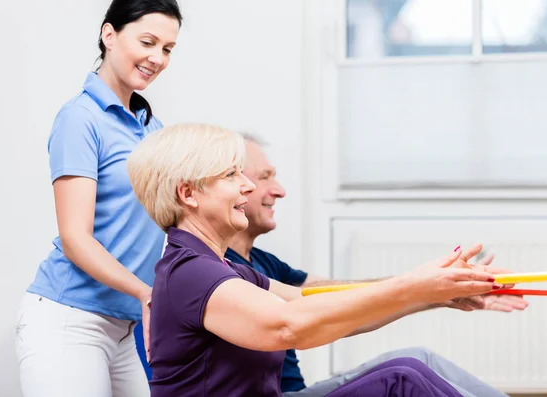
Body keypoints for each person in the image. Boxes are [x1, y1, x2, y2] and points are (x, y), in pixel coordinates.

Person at [127, 123, 504, 396]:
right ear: (188, 193)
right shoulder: (189, 272)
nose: (247, 185)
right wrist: (413, 286)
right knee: (402, 380)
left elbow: (323, 307)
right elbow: (289, 326)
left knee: (405, 371)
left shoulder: (226, 269)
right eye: (231, 174)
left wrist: (433, 293)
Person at [224, 134, 529, 397]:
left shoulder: (264, 262)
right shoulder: (221, 270)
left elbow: (340, 297)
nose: (279, 190)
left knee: (418, 357)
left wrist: (440, 290)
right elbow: (331, 313)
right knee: (404, 373)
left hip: (299, 391)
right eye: (264, 177)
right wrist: (425, 288)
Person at [15, 1, 182, 396]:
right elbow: (76, 239)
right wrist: (145, 291)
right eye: (148, 41)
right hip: (68, 321)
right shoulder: (80, 118)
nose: (157, 58)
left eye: (168, 49)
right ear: (109, 35)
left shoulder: (152, 127)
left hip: (122, 328)